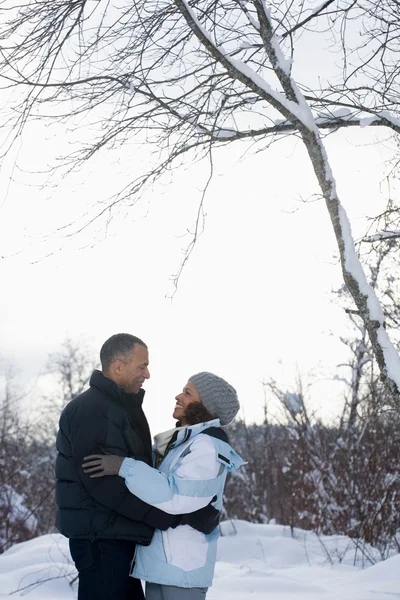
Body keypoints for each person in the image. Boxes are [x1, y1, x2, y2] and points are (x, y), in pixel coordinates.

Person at [55, 334, 219, 600]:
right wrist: (171, 518)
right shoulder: (94, 410)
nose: (148, 374)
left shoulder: (120, 408)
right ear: (118, 366)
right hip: (101, 541)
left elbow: (141, 469)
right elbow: (104, 485)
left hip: (116, 538)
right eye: (142, 366)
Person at [83, 371, 244, 600]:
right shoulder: (181, 444)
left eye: (187, 393)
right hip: (163, 566)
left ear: (205, 405)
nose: (178, 396)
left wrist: (124, 467)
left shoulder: (207, 445)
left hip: (182, 568)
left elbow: (176, 497)